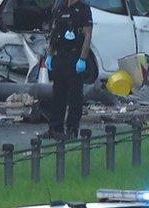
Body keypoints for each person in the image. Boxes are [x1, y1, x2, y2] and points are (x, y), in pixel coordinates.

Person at [45, 0, 92, 140]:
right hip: (60, 55)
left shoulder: (83, 9)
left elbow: (87, 35)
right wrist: (49, 55)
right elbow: (54, 32)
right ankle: (55, 128)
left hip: (75, 55)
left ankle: (72, 130)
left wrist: (82, 59)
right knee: (58, 94)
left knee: (75, 96)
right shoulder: (60, 7)